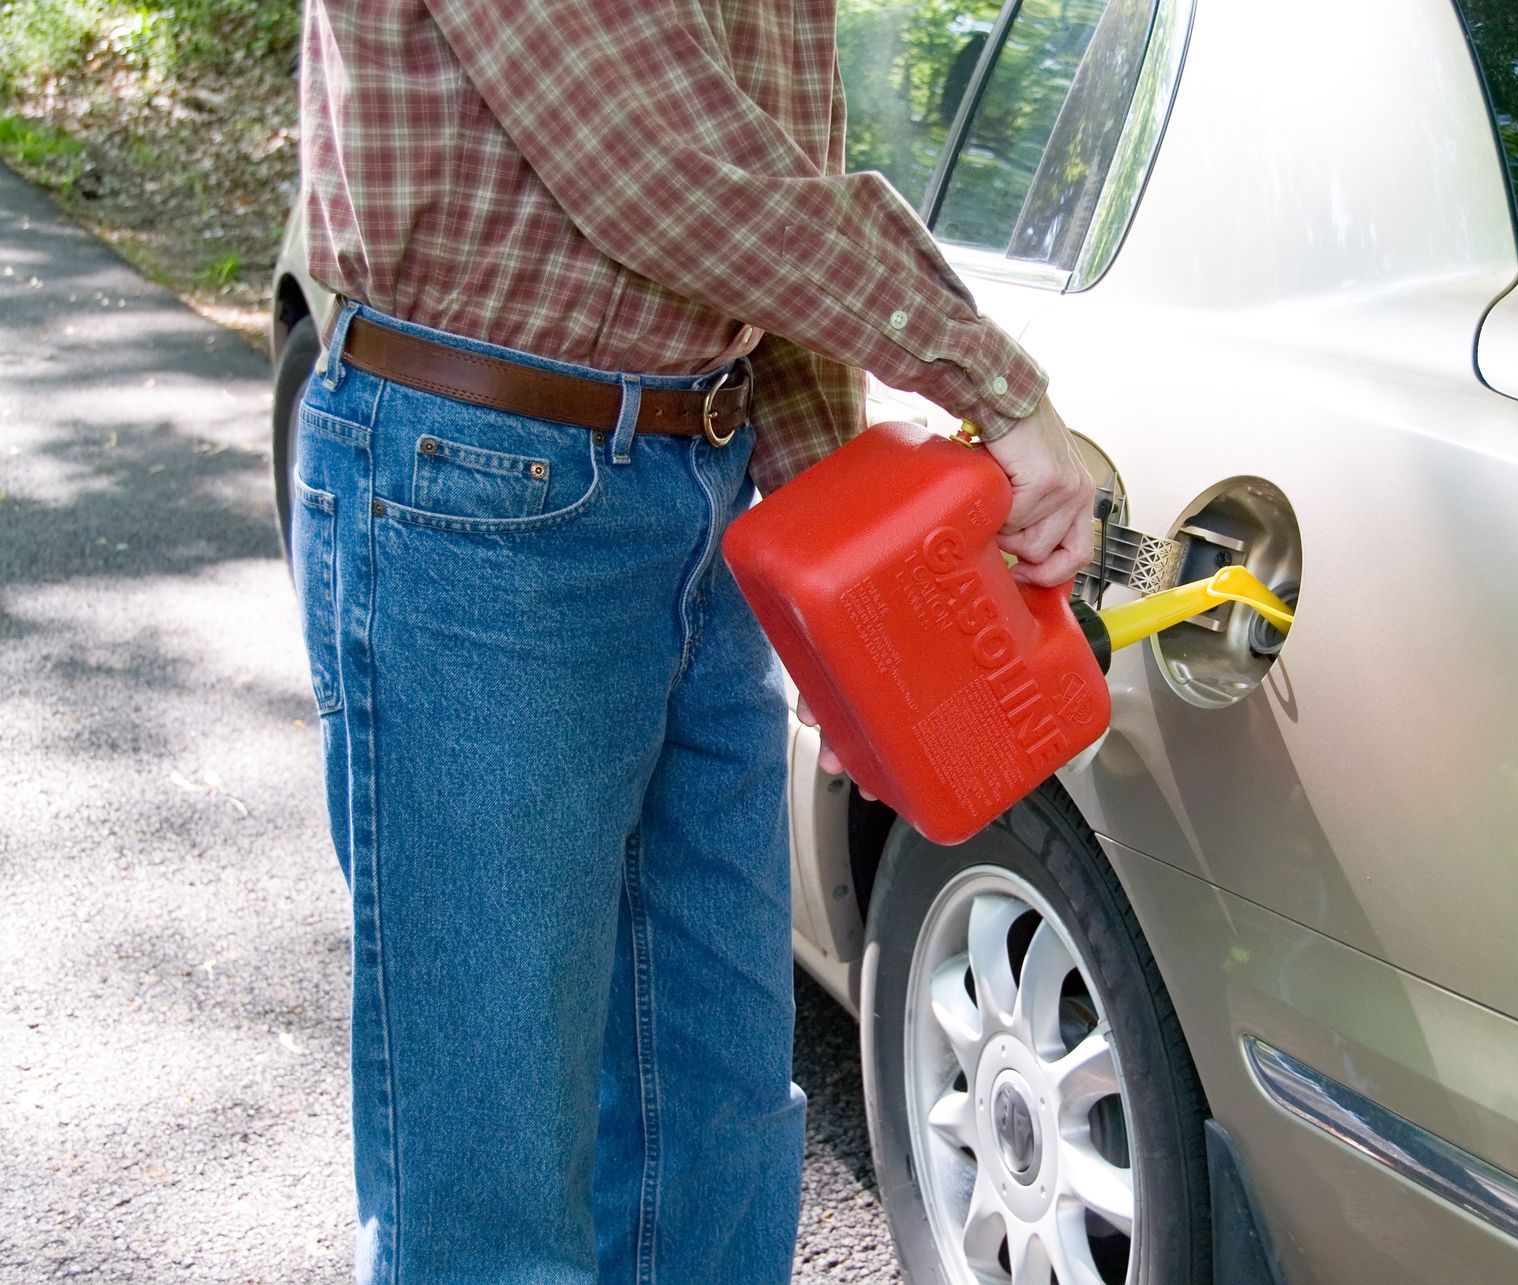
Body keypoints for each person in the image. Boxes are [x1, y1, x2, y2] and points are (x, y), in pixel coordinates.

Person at [290, 0, 1096, 1281]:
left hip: (697, 479)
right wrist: (997, 389)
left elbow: (764, 213)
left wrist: (847, 568)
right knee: (491, 1163)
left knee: (713, 1101)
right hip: (481, 484)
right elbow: (671, 174)